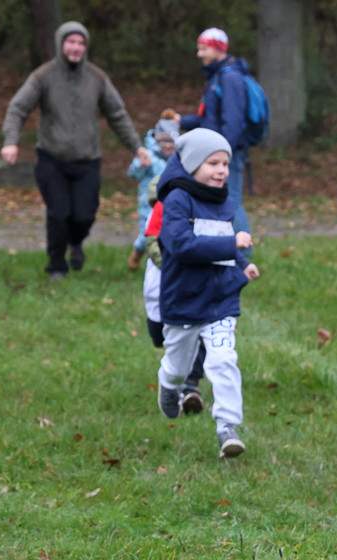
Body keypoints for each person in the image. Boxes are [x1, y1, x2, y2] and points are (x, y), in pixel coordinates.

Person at [1, 21, 151, 280]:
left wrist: (137, 147)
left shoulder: (97, 78)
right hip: (51, 158)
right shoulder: (43, 76)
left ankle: (76, 241)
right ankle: (57, 266)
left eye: (81, 43)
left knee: (84, 215)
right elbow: (17, 108)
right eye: (71, 42)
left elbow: (117, 114)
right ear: (61, 44)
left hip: (87, 160)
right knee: (58, 213)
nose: (76, 48)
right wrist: (10, 141)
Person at [154, 128, 259, 458]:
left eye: (226, 164)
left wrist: (241, 263)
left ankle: (227, 427)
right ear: (192, 164)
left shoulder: (222, 199)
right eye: (213, 163)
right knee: (178, 366)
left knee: (224, 360)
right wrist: (232, 244)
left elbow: (220, 236)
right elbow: (181, 245)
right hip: (183, 299)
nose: (221, 170)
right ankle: (169, 384)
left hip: (219, 299)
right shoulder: (177, 199)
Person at [167, 27, 252, 242]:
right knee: (222, 199)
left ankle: (243, 250)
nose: (199, 54)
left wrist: (223, 156)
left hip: (224, 152)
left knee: (231, 199)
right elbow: (208, 118)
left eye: (204, 49)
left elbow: (232, 122)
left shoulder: (230, 77)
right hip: (216, 152)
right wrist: (181, 121)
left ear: (218, 49)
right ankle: (222, 244)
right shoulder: (216, 76)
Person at [142, 174, 208, 416]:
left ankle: (191, 386)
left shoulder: (206, 207)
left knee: (197, 332)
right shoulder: (162, 208)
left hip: (194, 288)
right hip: (162, 285)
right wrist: (175, 265)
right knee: (160, 338)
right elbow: (152, 243)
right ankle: (172, 374)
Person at [127, 119, 178, 271]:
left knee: (164, 233)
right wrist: (140, 165)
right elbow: (132, 173)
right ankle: (136, 254)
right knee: (147, 234)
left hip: (168, 204)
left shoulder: (178, 158)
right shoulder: (148, 156)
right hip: (147, 205)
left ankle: (161, 264)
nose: (168, 145)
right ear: (157, 140)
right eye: (164, 141)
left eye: (171, 141)